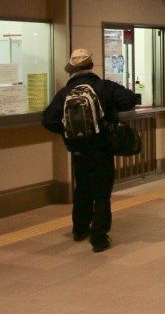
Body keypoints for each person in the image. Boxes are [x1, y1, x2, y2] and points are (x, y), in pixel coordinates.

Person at [42, 49, 138, 252]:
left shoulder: (65, 93)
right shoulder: (104, 87)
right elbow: (130, 99)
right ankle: (99, 238)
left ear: (71, 69)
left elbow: (48, 120)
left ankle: (80, 229)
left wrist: (68, 132)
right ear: (92, 66)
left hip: (78, 151)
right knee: (102, 193)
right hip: (103, 149)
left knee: (82, 189)